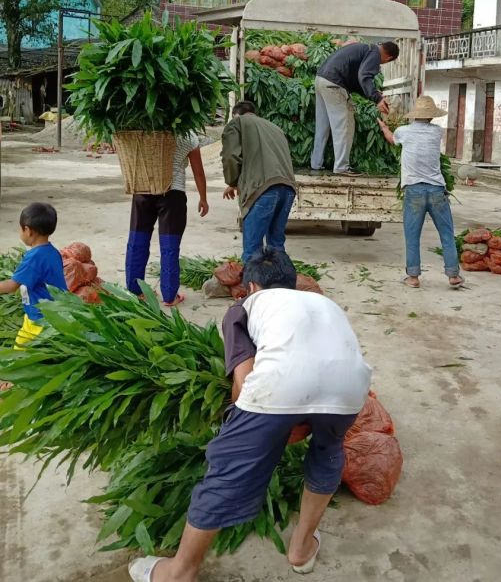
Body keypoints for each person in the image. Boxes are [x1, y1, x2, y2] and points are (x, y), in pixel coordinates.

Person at [128, 248, 372, 582]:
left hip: (281, 386)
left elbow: (244, 384)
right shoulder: (326, 304)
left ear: (252, 286)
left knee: (227, 470)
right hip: (351, 389)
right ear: (292, 282)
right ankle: (301, 550)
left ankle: (178, 572)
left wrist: (244, 426)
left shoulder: (243, 307)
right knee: (328, 454)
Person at [378, 95, 463, 289]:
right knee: (447, 233)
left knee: (412, 235)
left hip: (414, 190)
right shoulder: (436, 132)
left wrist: (384, 127)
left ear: (414, 115)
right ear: (432, 117)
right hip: (436, 190)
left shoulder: (403, 131)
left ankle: (413, 278)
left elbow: (392, 140)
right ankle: (453, 275)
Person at [126, 133, 209, 308]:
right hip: (172, 194)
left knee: (137, 241)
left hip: (143, 190)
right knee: (169, 246)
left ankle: (135, 291)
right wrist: (203, 197)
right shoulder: (187, 135)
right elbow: (198, 171)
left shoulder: (143, 130)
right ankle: (169, 296)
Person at [222, 101, 297, 263]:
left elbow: (230, 157)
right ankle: (280, 283)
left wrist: (232, 181)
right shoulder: (275, 128)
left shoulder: (237, 123)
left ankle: (253, 286)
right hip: (288, 188)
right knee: (276, 247)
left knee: (252, 252)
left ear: (236, 115)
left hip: (263, 189)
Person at [311, 40, 399, 176]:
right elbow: (364, 76)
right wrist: (377, 99)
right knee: (345, 125)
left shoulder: (365, 48)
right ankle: (341, 167)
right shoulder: (374, 53)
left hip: (321, 80)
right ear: (389, 58)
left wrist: (373, 95)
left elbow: (358, 80)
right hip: (334, 83)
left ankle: (316, 164)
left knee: (323, 126)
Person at [0, 203, 66, 350]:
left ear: (28, 230)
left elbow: (11, 286)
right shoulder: (52, 252)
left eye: (20, 228)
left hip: (41, 320)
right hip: (47, 314)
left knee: (20, 357)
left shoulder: (35, 258)